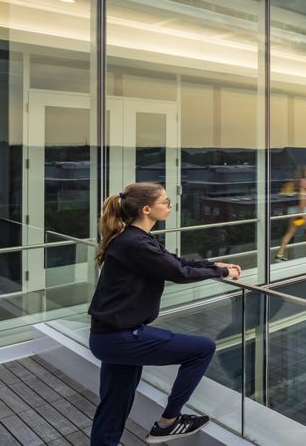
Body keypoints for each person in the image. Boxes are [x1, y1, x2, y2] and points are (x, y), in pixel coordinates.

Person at [88, 182, 242, 445]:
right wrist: (223, 272)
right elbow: (178, 273)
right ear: (147, 209)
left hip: (108, 337)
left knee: (114, 406)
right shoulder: (136, 243)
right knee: (202, 349)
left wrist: (214, 264)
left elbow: (176, 262)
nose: (171, 205)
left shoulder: (136, 238)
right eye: (166, 202)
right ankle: (168, 422)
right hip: (121, 337)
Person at [276, 165, 306, 261]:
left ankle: (279, 254)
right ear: (304, 172)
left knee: (290, 232)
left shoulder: (294, 182)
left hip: (293, 210)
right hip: (304, 210)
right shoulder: (304, 182)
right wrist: (302, 213)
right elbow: (303, 197)